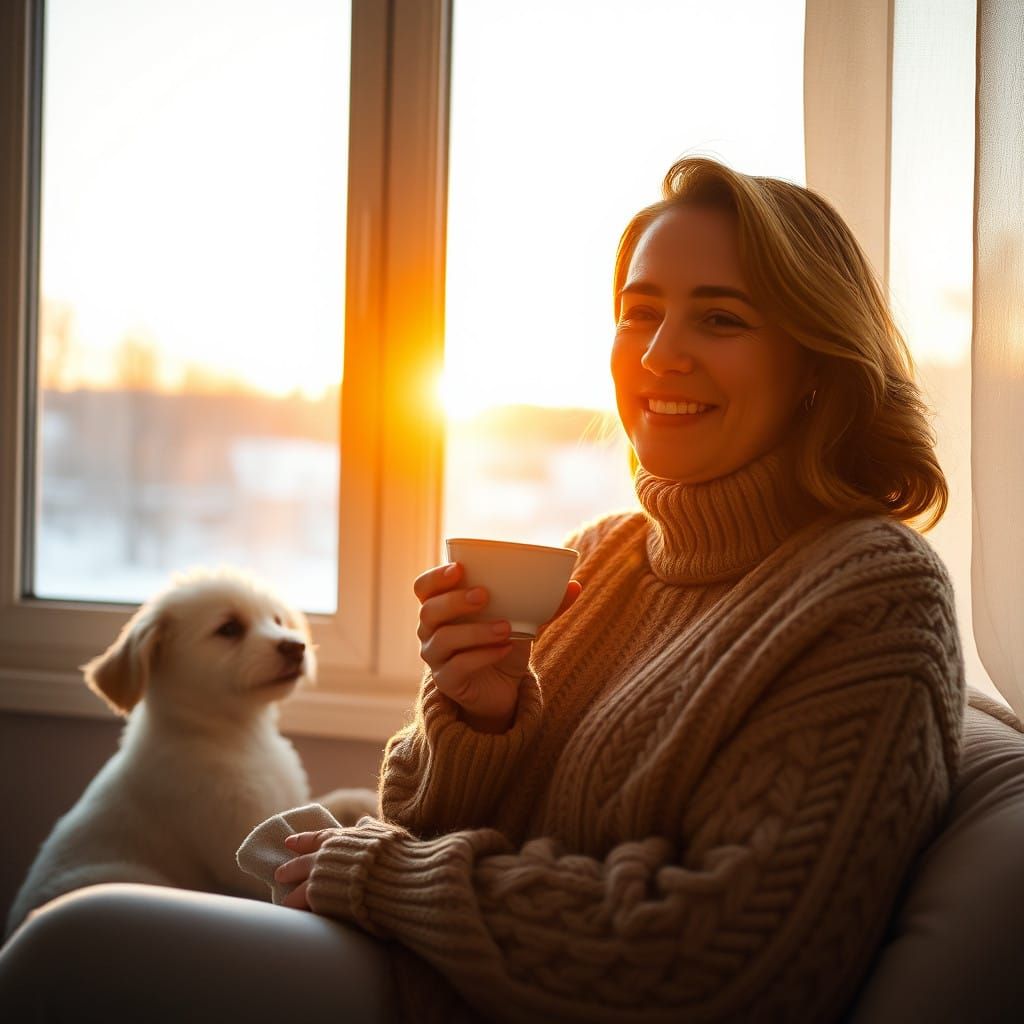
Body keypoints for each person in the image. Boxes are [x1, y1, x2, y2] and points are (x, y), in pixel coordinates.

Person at [0, 157, 965, 1023]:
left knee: (73, 948)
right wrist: (480, 722)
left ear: (814, 362)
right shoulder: (608, 556)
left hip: (464, 999)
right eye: (638, 310)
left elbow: (716, 953)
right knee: (76, 943)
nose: (659, 352)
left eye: (721, 316)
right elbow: (429, 818)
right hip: (440, 971)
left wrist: (380, 871)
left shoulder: (871, 592)